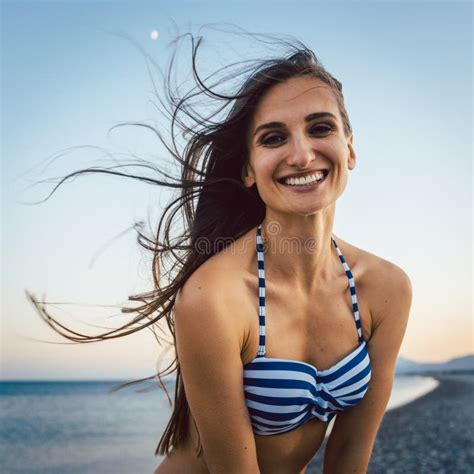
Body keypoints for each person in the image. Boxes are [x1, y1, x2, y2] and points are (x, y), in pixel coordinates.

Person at [27, 29, 412, 474]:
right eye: (273, 138)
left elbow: (348, 458)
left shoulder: (386, 289)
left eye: (320, 127)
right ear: (249, 170)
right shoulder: (215, 297)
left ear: (350, 147)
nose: (302, 155)